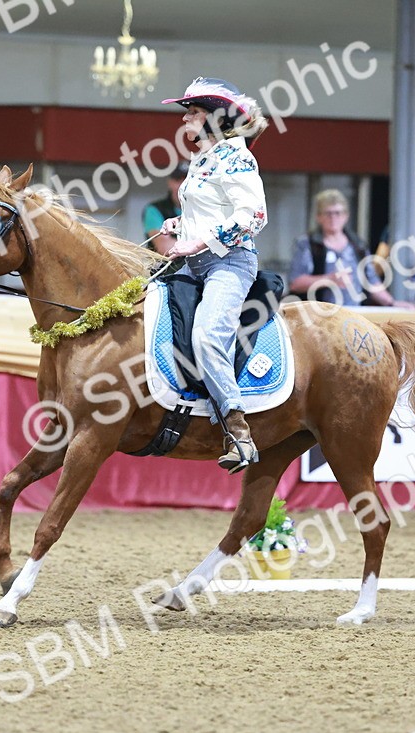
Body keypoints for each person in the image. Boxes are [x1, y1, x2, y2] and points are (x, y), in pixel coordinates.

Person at [158, 77, 269, 473]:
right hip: (195, 262)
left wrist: (198, 241)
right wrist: (179, 226)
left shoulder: (237, 157)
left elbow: (254, 215)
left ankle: (238, 432)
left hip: (229, 263)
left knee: (207, 335)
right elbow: (208, 212)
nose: (186, 119)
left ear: (214, 119)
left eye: (193, 112)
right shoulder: (204, 159)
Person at [288, 190, 415, 309]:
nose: (333, 218)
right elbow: (295, 283)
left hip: (353, 316)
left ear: (346, 216)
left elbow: (371, 281)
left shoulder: (357, 246)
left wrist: (393, 303)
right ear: (318, 217)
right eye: (328, 213)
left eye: (338, 213)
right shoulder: (308, 244)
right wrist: (329, 279)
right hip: (317, 317)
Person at [141, 161, 189, 255]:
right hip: (168, 267)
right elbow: (164, 247)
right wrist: (200, 245)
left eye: (188, 180)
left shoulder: (206, 209)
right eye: (178, 180)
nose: (183, 185)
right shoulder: (154, 209)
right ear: (170, 183)